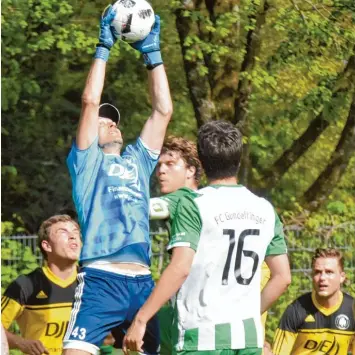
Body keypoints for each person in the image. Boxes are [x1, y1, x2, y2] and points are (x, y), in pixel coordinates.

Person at [123, 120, 291, 355]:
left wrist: (141, 320)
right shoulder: (265, 208)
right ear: (238, 159)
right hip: (249, 337)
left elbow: (180, 267)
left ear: (200, 162)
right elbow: (282, 277)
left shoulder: (194, 204)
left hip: (202, 337)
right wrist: (250, 313)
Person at [62, 4, 172, 355]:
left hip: (142, 281)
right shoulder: (86, 162)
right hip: (101, 279)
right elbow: (89, 100)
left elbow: (163, 111)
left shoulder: (137, 160)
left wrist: (153, 54)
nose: (111, 122)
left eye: (115, 119)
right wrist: (103, 49)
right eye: (103, 120)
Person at [1, 214, 81, 355]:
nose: (73, 236)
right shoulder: (26, 285)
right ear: (47, 246)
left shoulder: (91, 283)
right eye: (63, 232)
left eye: (76, 232)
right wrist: (21, 343)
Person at [272, 247, 355, 355]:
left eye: (329, 272)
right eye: (317, 272)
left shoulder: (352, 310)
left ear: (342, 277)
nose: (322, 278)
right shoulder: (296, 310)